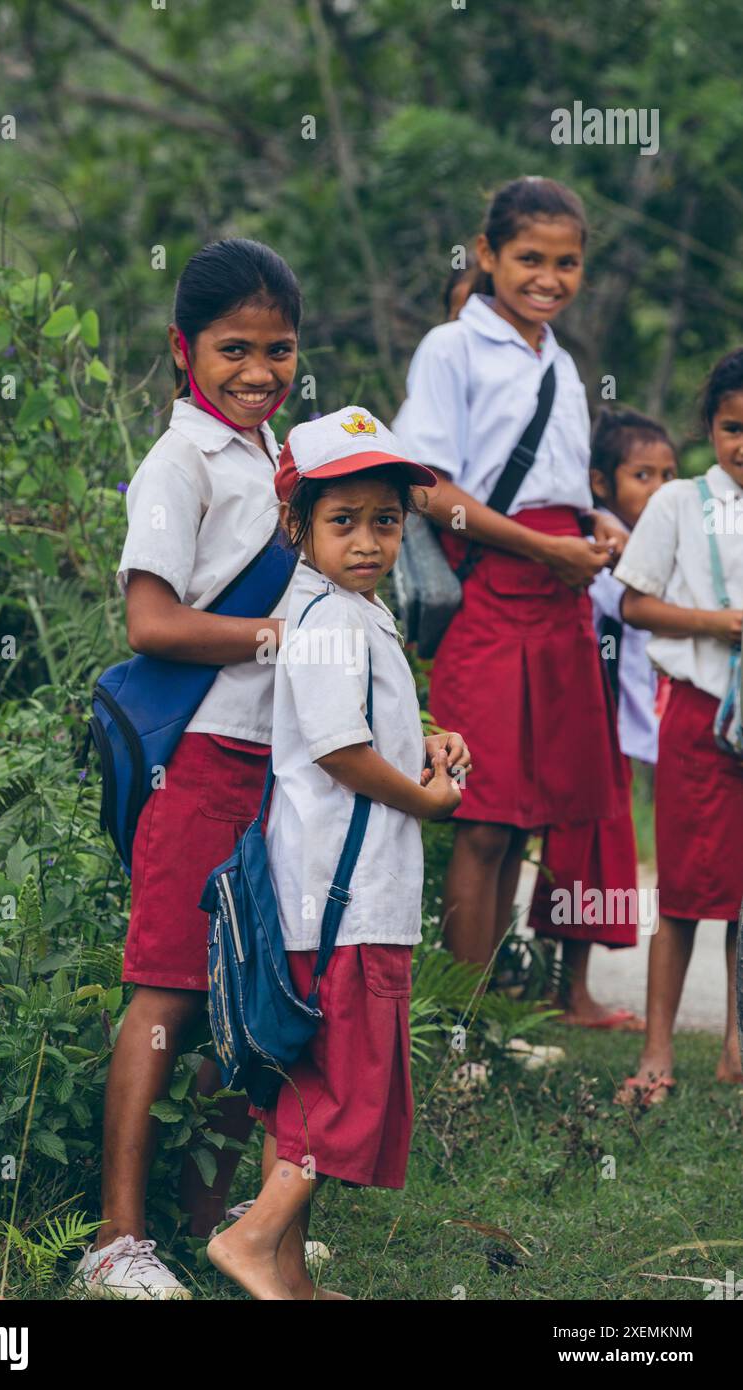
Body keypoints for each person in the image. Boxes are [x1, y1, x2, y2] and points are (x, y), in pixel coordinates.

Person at [75, 238, 301, 1299]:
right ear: (183, 349)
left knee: (241, 992)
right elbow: (151, 619)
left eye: (279, 350)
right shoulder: (179, 463)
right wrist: (275, 640)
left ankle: (216, 1222)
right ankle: (117, 1239)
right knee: (165, 988)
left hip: (274, 759)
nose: (258, 372)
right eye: (233, 350)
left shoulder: (275, 457)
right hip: (196, 761)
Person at [206, 407, 470, 1300]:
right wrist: (428, 801)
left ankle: (290, 1272)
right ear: (298, 525)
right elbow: (339, 753)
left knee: (309, 1088)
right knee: (344, 1094)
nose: (368, 541)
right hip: (341, 900)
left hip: (347, 896)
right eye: (343, 521)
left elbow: (370, 728)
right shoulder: (323, 618)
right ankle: (251, 1243)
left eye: (386, 521)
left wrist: (431, 735)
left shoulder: (352, 610)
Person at [393, 175, 628, 973]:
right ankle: (461, 1028)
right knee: (484, 813)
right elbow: (424, 487)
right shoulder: (453, 347)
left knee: (531, 814)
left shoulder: (560, 362)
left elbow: (550, 486)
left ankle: (490, 1007)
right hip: (492, 595)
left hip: (559, 601)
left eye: (567, 263)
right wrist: (545, 548)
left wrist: (590, 526)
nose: (548, 279)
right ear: (487, 254)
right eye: (530, 257)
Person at [612, 350, 743, 1105]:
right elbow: (634, 603)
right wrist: (716, 623)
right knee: (689, 887)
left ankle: (735, 1044)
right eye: (732, 427)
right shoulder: (680, 504)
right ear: (711, 428)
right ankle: (657, 1050)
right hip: (699, 714)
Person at [528, 407, 679, 1029]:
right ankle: (565, 992)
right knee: (577, 851)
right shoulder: (600, 546)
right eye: (642, 474)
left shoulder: (653, 541)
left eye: (669, 474)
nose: (660, 488)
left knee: (597, 853)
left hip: (617, 722)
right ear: (600, 482)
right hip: (590, 718)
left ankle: (564, 990)